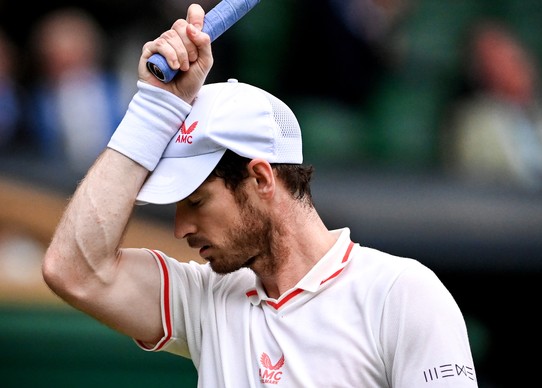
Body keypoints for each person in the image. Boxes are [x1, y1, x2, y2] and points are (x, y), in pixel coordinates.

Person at [42, 4, 477, 387]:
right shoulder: (204, 297)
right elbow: (72, 269)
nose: (180, 228)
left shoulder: (402, 294)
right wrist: (154, 108)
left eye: (196, 201)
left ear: (262, 179)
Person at [441, 20, 542, 191]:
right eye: (495, 60)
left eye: (514, 58)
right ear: (481, 73)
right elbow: (474, 180)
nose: (512, 67)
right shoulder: (472, 123)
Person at [25, 7, 125, 176]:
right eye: (58, 64)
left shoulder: (121, 89)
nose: (70, 76)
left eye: (74, 61)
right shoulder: (37, 104)